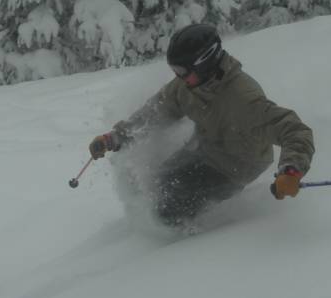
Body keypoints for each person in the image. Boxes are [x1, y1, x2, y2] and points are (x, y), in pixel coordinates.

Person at [88, 23, 315, 229]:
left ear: (204, 63)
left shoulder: (243, 99)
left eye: (182, 71)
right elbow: (156, 112)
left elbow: (294, 130)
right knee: (157, 183)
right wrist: (115, 137)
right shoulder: (188, 86)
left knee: (168, 208)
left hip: (234, 166)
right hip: (203, 149)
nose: (178, 77)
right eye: (175, 70)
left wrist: (291, 170)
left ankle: (191, 245)